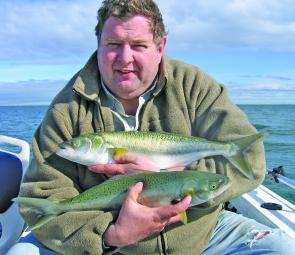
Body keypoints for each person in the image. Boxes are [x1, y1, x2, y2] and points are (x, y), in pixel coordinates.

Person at [10, 0, 294, 254]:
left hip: (199, 234)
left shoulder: (195, 87)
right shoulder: (65, 109)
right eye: (113, 44)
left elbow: (251, 159)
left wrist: (167, 176)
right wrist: (112, 234)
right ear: (98, 45)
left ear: (160, 47)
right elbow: (42, 194)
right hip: (110, 242)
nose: (125, 58)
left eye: (138, 45)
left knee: (282, 247)